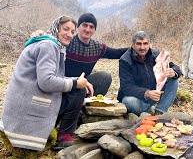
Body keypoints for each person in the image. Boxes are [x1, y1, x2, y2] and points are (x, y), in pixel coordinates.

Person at [31, 13, 128, 149]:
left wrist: (140, 48)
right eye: (84, 25)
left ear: (94, 30)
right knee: (78, 88)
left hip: (81, 85)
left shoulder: (97, 47)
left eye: (91, 26)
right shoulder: (68, 41)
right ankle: (62, 125)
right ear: (79, 28)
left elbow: (117, 53)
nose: (87, 29)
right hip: (60, 86)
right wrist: (39, 33)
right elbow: (51, 38)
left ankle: (81, 112)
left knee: (104, 77)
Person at [1, 16, 89, 151]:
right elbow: (47, 82)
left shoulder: (49, 43)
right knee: (78, 91)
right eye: (66, 29)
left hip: (22, 104)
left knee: (77, 88)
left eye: (72, 32)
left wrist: (78, 80)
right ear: (56, 28)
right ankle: (63, 136)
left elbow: (52, 77)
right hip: (27, 107)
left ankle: (57, 131)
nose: (70, 34)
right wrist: (76, 83)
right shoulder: (49, 46)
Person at [118, 31, 182, 116]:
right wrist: (147, 93)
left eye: (145, 43)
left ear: (149, 44)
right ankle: (143, 110)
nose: (142, 47)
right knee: (128, 101)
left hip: (154, 94)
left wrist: (174, 71)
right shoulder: (125, 60)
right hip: (137, 97)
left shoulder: (155, 54)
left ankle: (160, 111)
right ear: (133, 45)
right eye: (139, 44)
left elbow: (174, 67)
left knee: (174, 80)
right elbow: (126, 87)